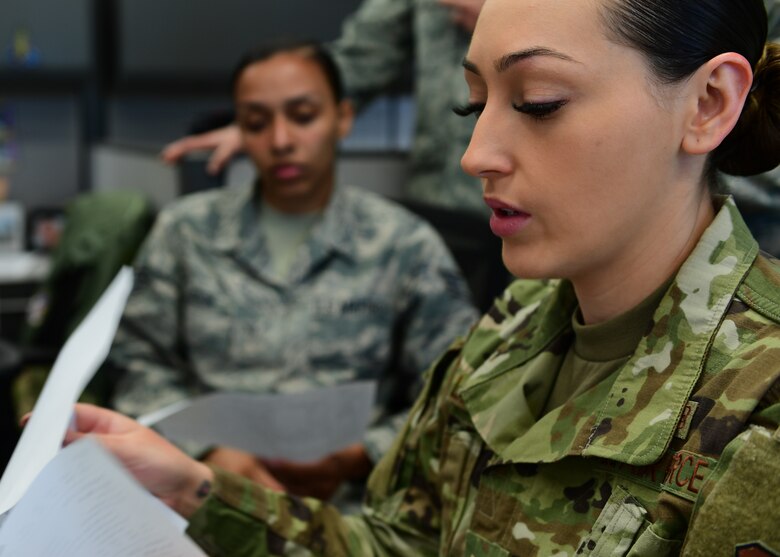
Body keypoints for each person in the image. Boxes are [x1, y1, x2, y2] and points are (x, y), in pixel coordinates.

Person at [66, 0, 780, 554]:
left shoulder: (759, 403)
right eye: (473, 102)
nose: (476, 153)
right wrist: (194, 489)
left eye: (538, 102)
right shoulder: (510, 329)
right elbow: (401, 542)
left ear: (709, 103)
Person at [105, 40, 478, 507]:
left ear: (343, 118)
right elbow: (135, 364)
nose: (281, 140)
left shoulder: (403, 244)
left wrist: (362, 454)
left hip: (353, 507)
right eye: (256, 123)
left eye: (303, 116)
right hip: (203, 496)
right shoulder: (186, 232)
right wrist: (207, 451)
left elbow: (459, 391)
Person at [161, 0, 489, 214]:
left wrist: (505, 16)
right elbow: (360, 59)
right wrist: (263, 119)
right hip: (442, 202)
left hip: (513, 194)